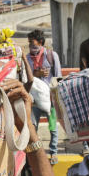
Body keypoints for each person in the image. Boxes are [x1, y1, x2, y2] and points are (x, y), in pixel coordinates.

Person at [26, 29, 61, 162]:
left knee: (53, 126)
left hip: (50, 99)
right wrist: (36, 74)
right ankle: (35, 152)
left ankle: (53, 151)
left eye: (33, 44)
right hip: (34, 99)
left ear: (41, 43)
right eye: (29, 44)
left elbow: (58, 77)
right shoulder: (28, 58)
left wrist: (56, 97)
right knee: (33, 127)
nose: (30, 47)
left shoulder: (52, 55)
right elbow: (25, 77)